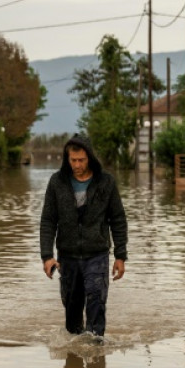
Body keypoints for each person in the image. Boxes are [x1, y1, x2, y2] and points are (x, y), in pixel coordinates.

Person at [40, 135, 127, 337]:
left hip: (97, 253)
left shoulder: (106, 182)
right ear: (67, 159)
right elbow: (48, 221)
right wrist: (47, 256)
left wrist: (120, 256)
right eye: (73, 160)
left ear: (90, 158)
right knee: (72, 312)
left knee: (96, 301)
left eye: (81, 160)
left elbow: (118, 220)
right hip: (67, 255)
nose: (77, 165)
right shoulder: (57, 182)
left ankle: (96, 351)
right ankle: (74, 359)